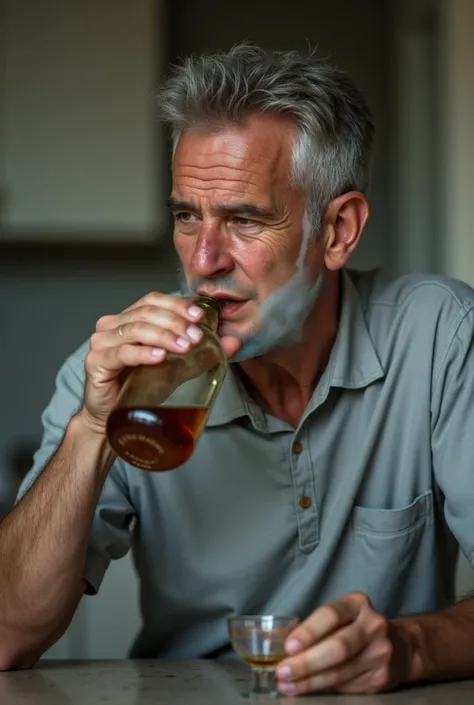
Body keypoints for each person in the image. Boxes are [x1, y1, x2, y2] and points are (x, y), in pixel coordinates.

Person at [0, 43, 473, 695]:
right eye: (186, 216)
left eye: (245, 219)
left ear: (338, 231)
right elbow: (6, 632)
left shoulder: (440, 335)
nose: (203, 259)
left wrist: (410, 645)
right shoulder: (115, 372)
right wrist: (90, 427)